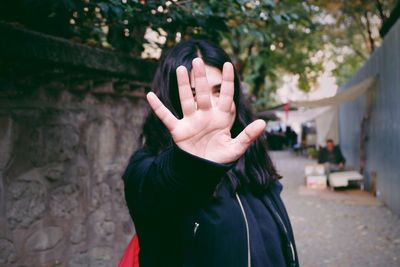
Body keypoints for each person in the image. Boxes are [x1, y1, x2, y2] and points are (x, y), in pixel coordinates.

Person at [122, 39, 299, 267]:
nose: (213, 106)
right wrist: (191, 162)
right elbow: (156, 193)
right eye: (195, 94)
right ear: (172, 100)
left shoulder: (250, 160)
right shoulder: (148, 168)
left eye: (219, 91)